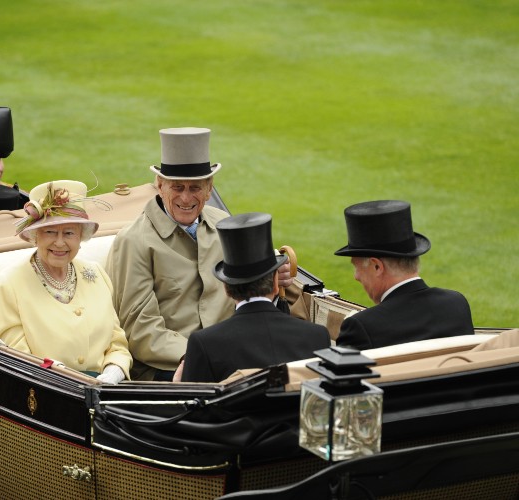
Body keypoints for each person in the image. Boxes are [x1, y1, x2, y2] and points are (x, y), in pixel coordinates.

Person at [105, 127, 294, 381]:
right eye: (177, 187)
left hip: (230, 356)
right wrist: (203, 354)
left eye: (195, 188)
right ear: (160, 186)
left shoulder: (222, 223)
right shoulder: (133, 241)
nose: (186, 197)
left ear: (209, 189)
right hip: (168, 368)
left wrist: (272, 277)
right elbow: (140, 331)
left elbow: (246, 293)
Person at [0, 180, 132, 383]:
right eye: (50, 232)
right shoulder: (9, 284)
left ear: (80, 237)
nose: (59, 242)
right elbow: (17, 358)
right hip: (46, 392)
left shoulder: (95, 273)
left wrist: (113, 373)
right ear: (35, 236)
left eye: (69, 233)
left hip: (106, 392)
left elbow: (117, 344)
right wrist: (64, 379)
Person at [176, 212, 331, 383]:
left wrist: (178, 387)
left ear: (227, 288)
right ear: (275, 282)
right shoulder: (317, 336)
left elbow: (194, 406)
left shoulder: (204, 343)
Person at [334, 199, 474, 351]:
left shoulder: (361, 327)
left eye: (357, 267)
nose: (356, 276)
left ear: (377, 267)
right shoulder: (456, 304)